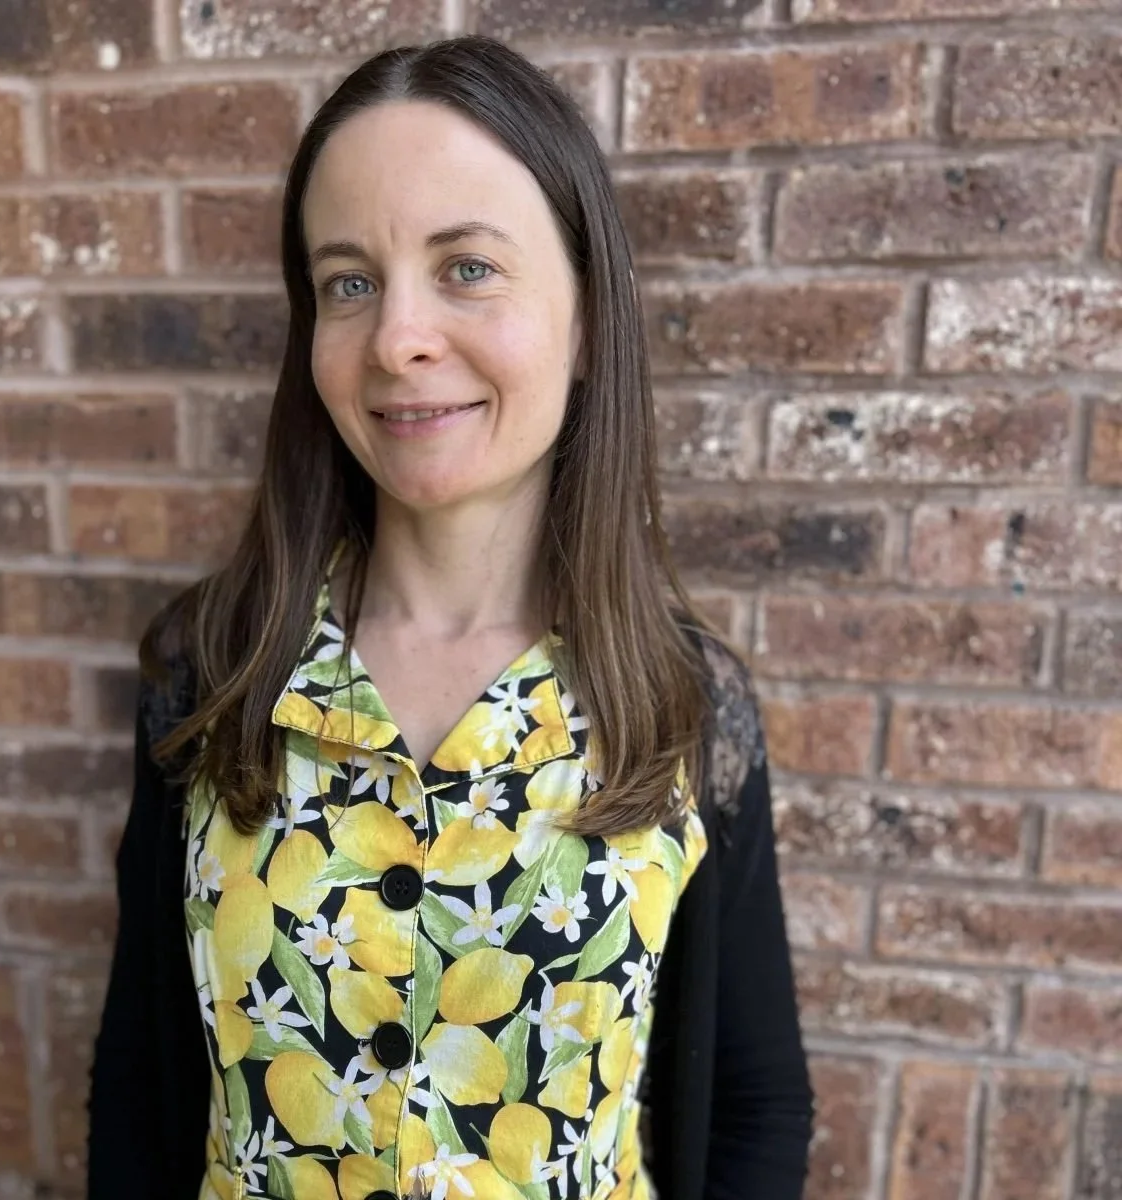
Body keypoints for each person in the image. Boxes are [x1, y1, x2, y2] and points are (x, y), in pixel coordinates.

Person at [87, 34, 814, 1200]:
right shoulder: (214, 673)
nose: (396, 338)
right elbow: (138, 1087)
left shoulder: (682, 706)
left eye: (468, 267)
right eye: (350, 282)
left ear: (587, 318)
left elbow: (754, 1107)